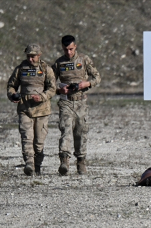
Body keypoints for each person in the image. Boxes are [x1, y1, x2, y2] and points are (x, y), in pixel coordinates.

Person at [51, 35, 101, 175]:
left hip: (81, 102)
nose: (69, 52)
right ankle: (64, 161)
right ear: (62, 48)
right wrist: (59, 89)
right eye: (66, 50)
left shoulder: (84, 60)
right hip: (66, 101)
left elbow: (97, 77)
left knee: (81, 132)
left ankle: (81, 161)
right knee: (65, 130)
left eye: (71, 49)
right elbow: (49, 83)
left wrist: (87, 83)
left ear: (75, 47)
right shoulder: (59, 63)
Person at [6, 44, 56, 176]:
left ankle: (37, 166)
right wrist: (12, 95)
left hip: (42, 111)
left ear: (39, 55)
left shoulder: (46, 69)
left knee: (38, 142)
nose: (30, 59)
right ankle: (29, 164)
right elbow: (11, 86)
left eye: (33, 56)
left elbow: (52, 88)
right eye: (28, 56)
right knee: (26, 138)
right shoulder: (21, 69)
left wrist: (42, 97)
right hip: (25, 109)